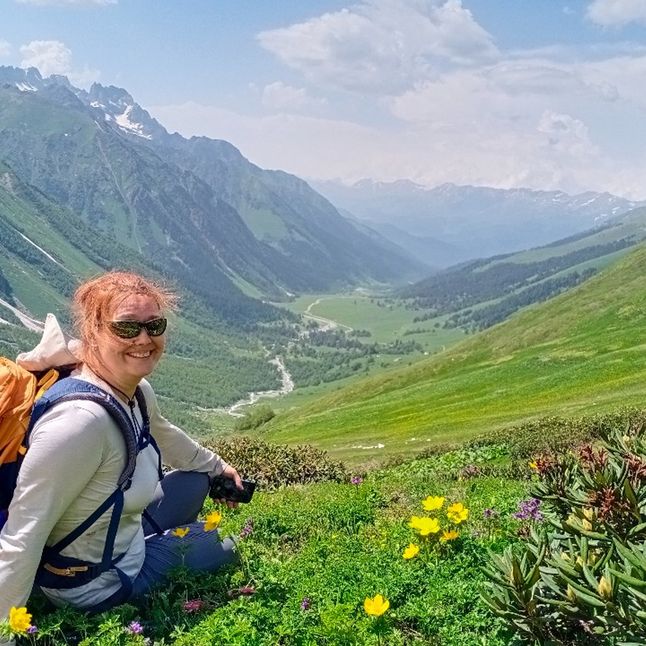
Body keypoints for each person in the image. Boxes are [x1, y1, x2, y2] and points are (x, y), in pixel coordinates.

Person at [0, 271, 242, 633]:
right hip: (93, 582)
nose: (144, 339)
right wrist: (6, 632)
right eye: (126, 328)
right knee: (227, 545)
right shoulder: (79, 424)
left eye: (154, 325)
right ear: (92, 333)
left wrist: (218, 467)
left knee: (195, 481)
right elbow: (23, 534)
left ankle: (154, 542)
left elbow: (167, 436)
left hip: (116, 536)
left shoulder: (134, 391)